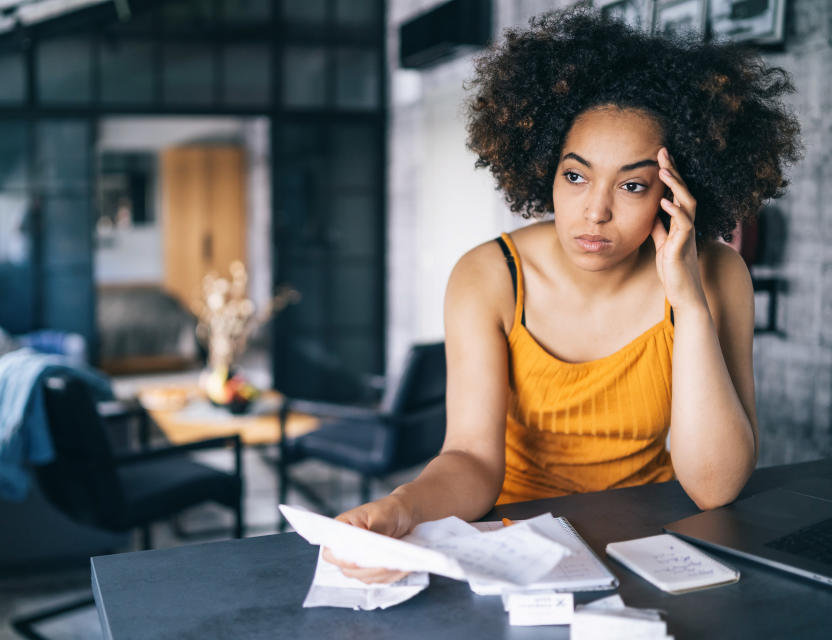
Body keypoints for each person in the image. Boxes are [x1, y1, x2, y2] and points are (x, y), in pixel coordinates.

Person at [325, 4, 802, 583]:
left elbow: (713, 488)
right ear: (545, 168)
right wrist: (404, 506)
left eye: (632, 185)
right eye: (575, 176)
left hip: (652, 544)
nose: (593, 212)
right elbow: (472, 459)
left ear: (677, 192)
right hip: (516, 542)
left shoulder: (719, 274)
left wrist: (690, 304)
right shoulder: (490, 277)